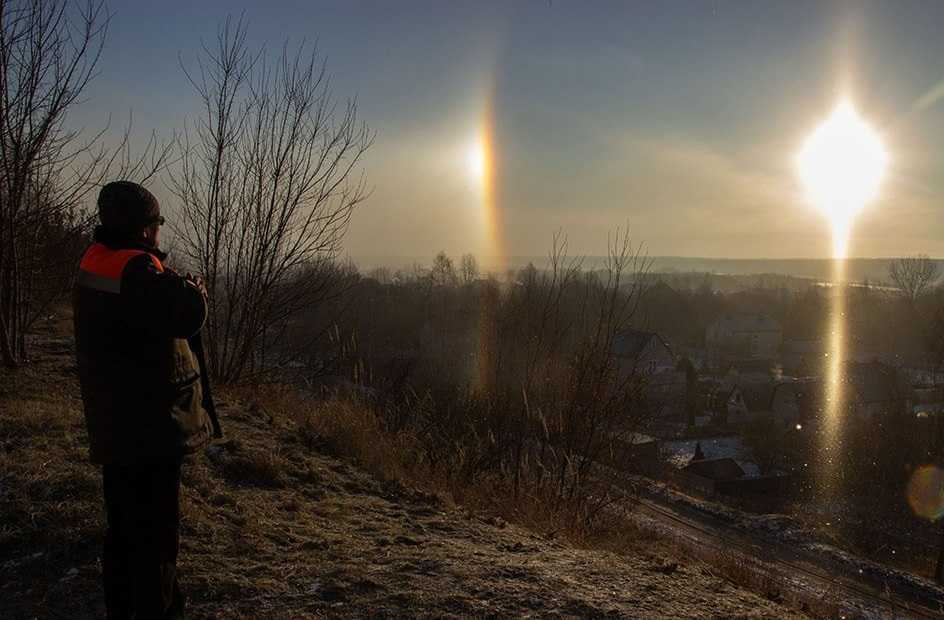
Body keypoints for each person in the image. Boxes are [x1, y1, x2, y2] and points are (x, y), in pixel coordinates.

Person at [73, 180, 212, 618]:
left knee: (122, 534)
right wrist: (192, 288)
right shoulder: (137, 270)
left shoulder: (95, 261)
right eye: (156, 223)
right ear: (144, 228)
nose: (158, 233)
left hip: (114, 425)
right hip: (149, 429)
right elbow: (187, 314)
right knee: (156, 540)